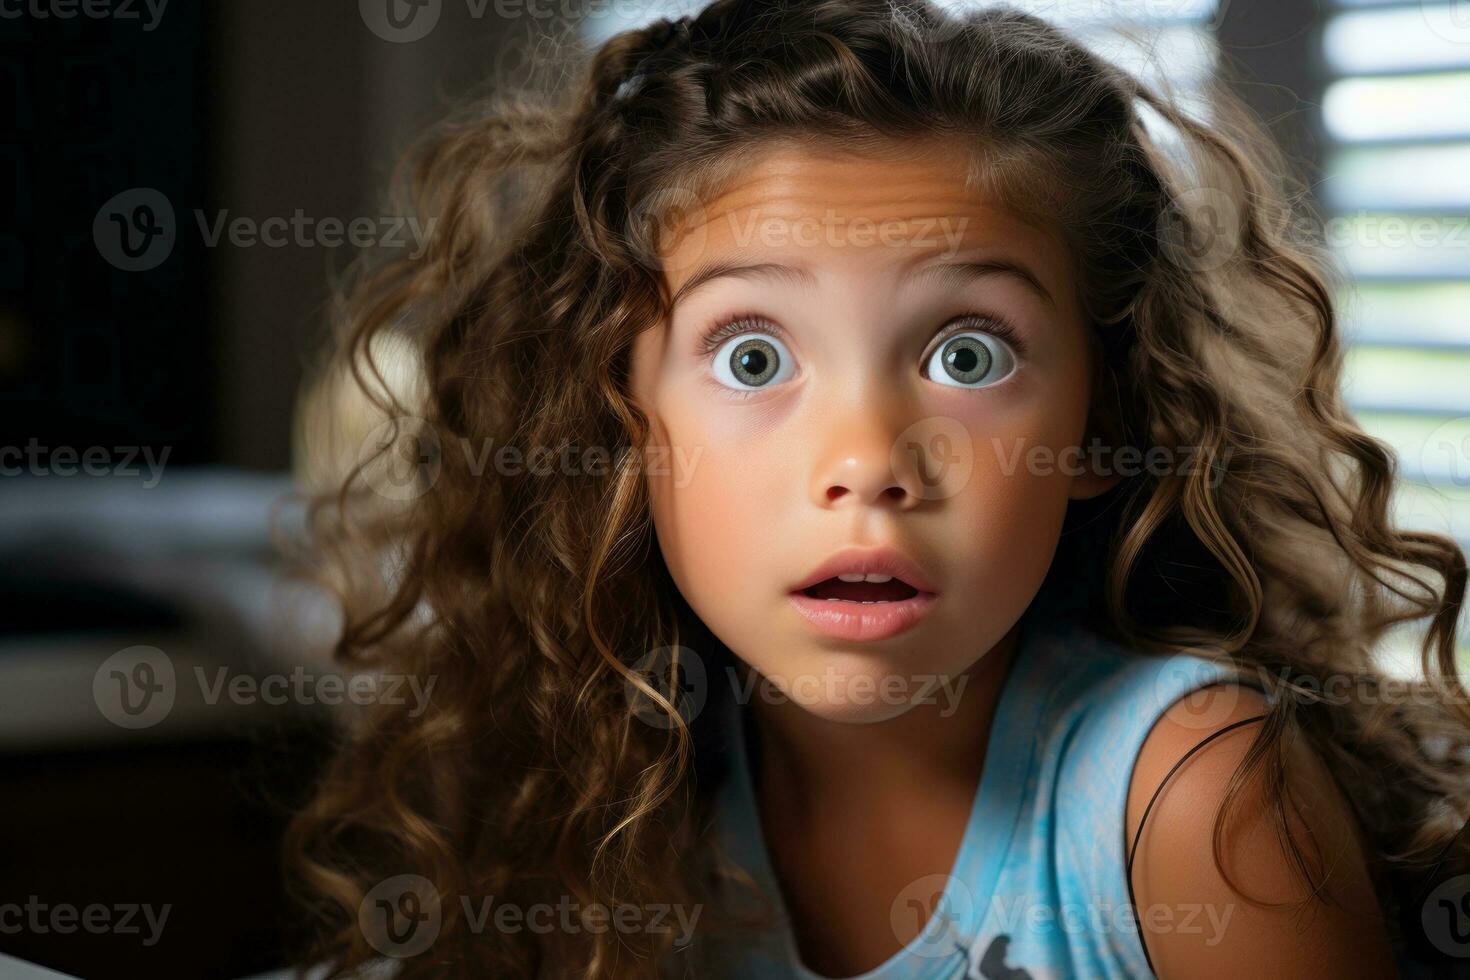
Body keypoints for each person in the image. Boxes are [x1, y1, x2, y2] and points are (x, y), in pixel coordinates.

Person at [279, 1, 1470, 976]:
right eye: (753, 358)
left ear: (1104, 418)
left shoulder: (1190, 794)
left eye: (968, 355)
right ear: (615, 422)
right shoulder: (585, 790)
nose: (868, 462)